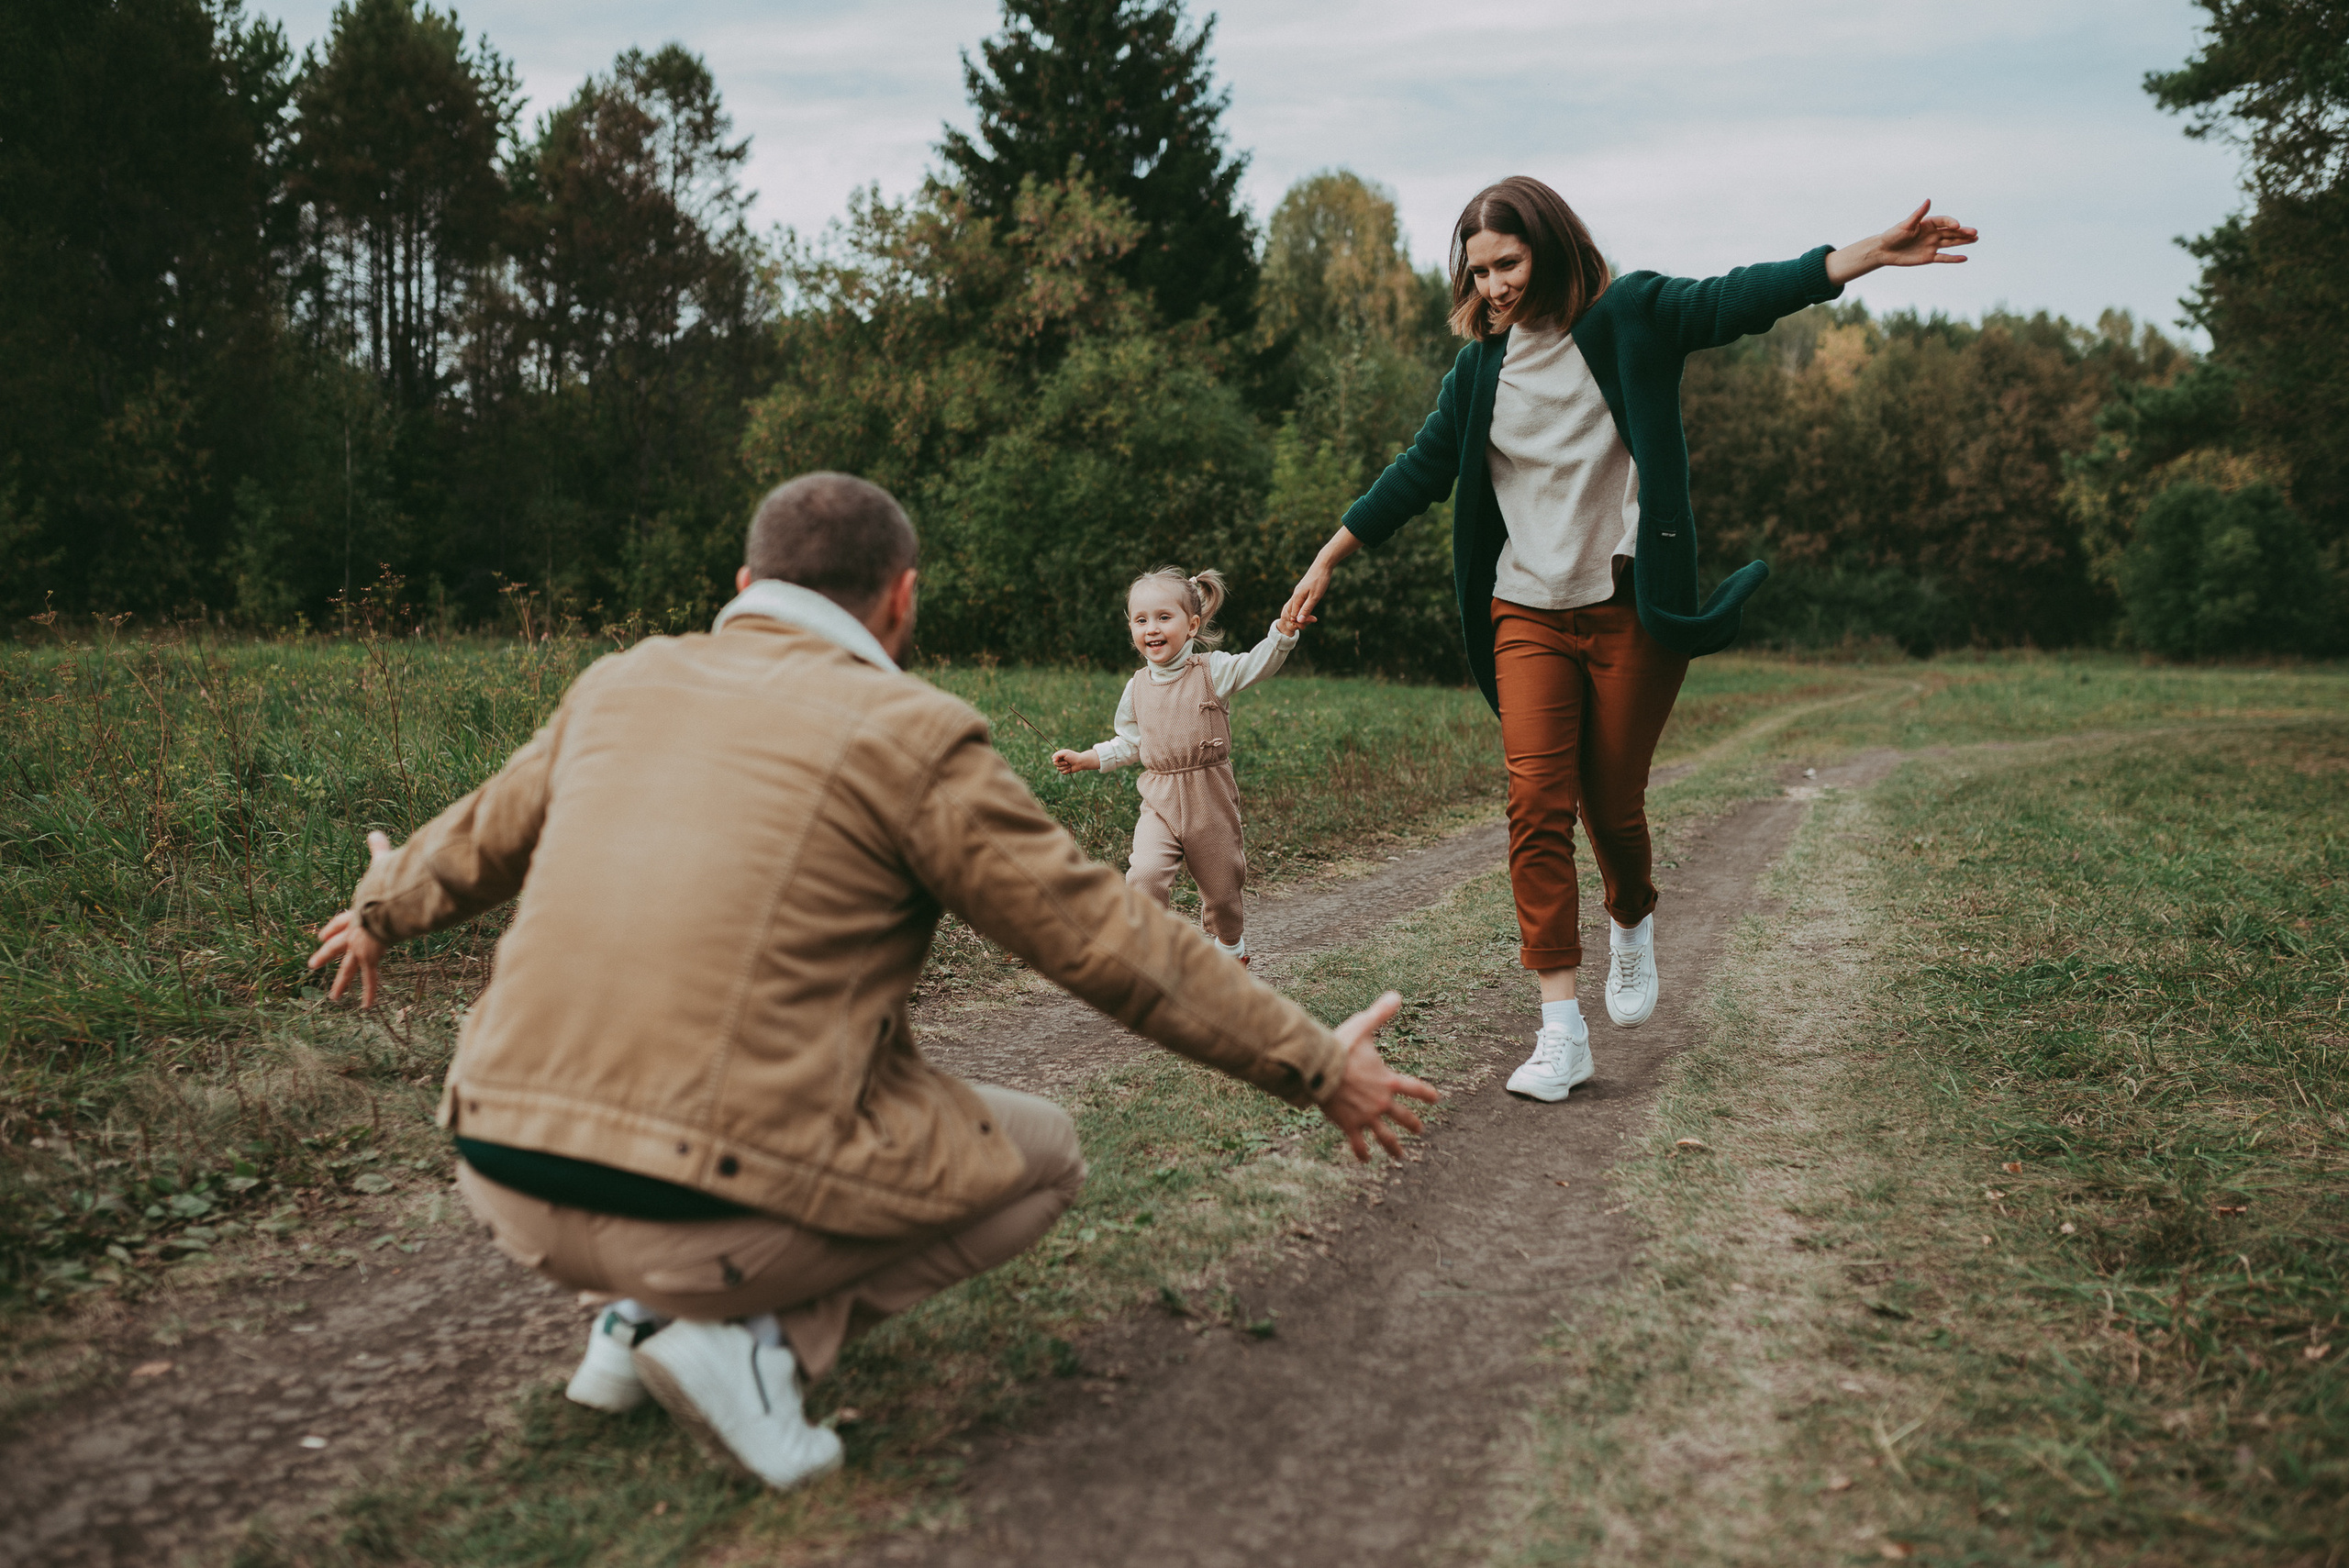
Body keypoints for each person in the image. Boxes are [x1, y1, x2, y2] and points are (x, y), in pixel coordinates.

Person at [306, 473, 1436, 1492]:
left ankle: (637, 1319)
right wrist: (1313, 1062)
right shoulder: (912, 733)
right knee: (1045, 1157)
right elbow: (1105, 941)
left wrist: (377, 909)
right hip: (696, 1191)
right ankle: (751, 1345)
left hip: (500, 1160)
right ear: (901, 600)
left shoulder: (621, 680)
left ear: (744, 586)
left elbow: (475, 837)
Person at [1281, 178, 1976, 1103]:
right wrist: (1329, 555)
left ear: (1551, 247)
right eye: (1478, 271)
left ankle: (1633, 912)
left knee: (1611, 804)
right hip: (1524, 610)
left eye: (1508, 263)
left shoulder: (1633, 316)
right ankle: (1560, 1034)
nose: (1493, 286)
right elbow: (1419, 469)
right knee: (1535, 802)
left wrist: (1863, 257)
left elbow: (1736, 298)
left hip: (1627, 609)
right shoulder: (1479, 372)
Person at [1051, 567, 1299, 967]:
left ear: (1192, 625)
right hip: (1160, 798)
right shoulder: (1137, 686)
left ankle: (1229, 948)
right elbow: (1131, 743)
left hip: (1209, 796)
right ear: (1131, 628)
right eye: (1141, 620)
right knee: (1145, 874)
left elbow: (1257, 664)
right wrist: (1087, 758)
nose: (1152, 628)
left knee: (1223, 888)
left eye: (1164, 617)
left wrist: (1282, 634)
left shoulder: (1212, 671)